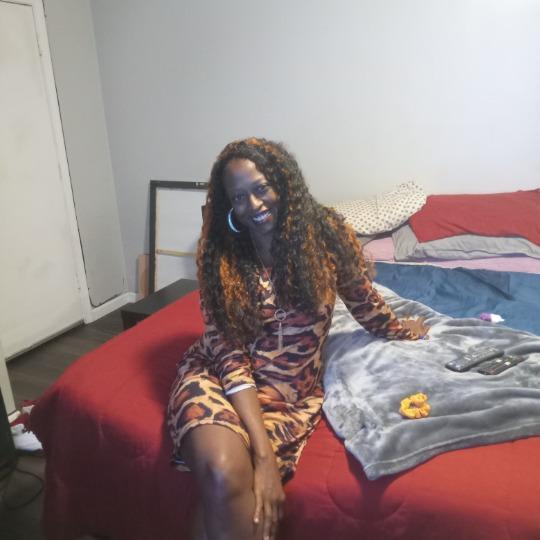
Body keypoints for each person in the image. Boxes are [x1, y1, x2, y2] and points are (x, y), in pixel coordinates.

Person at [167, 137, 429, 540]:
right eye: (239, 197)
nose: (253, 205)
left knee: (226, 491)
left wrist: (397, 328)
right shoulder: (219, 253)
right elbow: (228, 354)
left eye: (261, 188)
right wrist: (264, 458)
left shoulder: (327, 234)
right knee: (222, 470)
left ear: (283, 182)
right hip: (220, 379)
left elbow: (361, 298)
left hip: (288, 393)